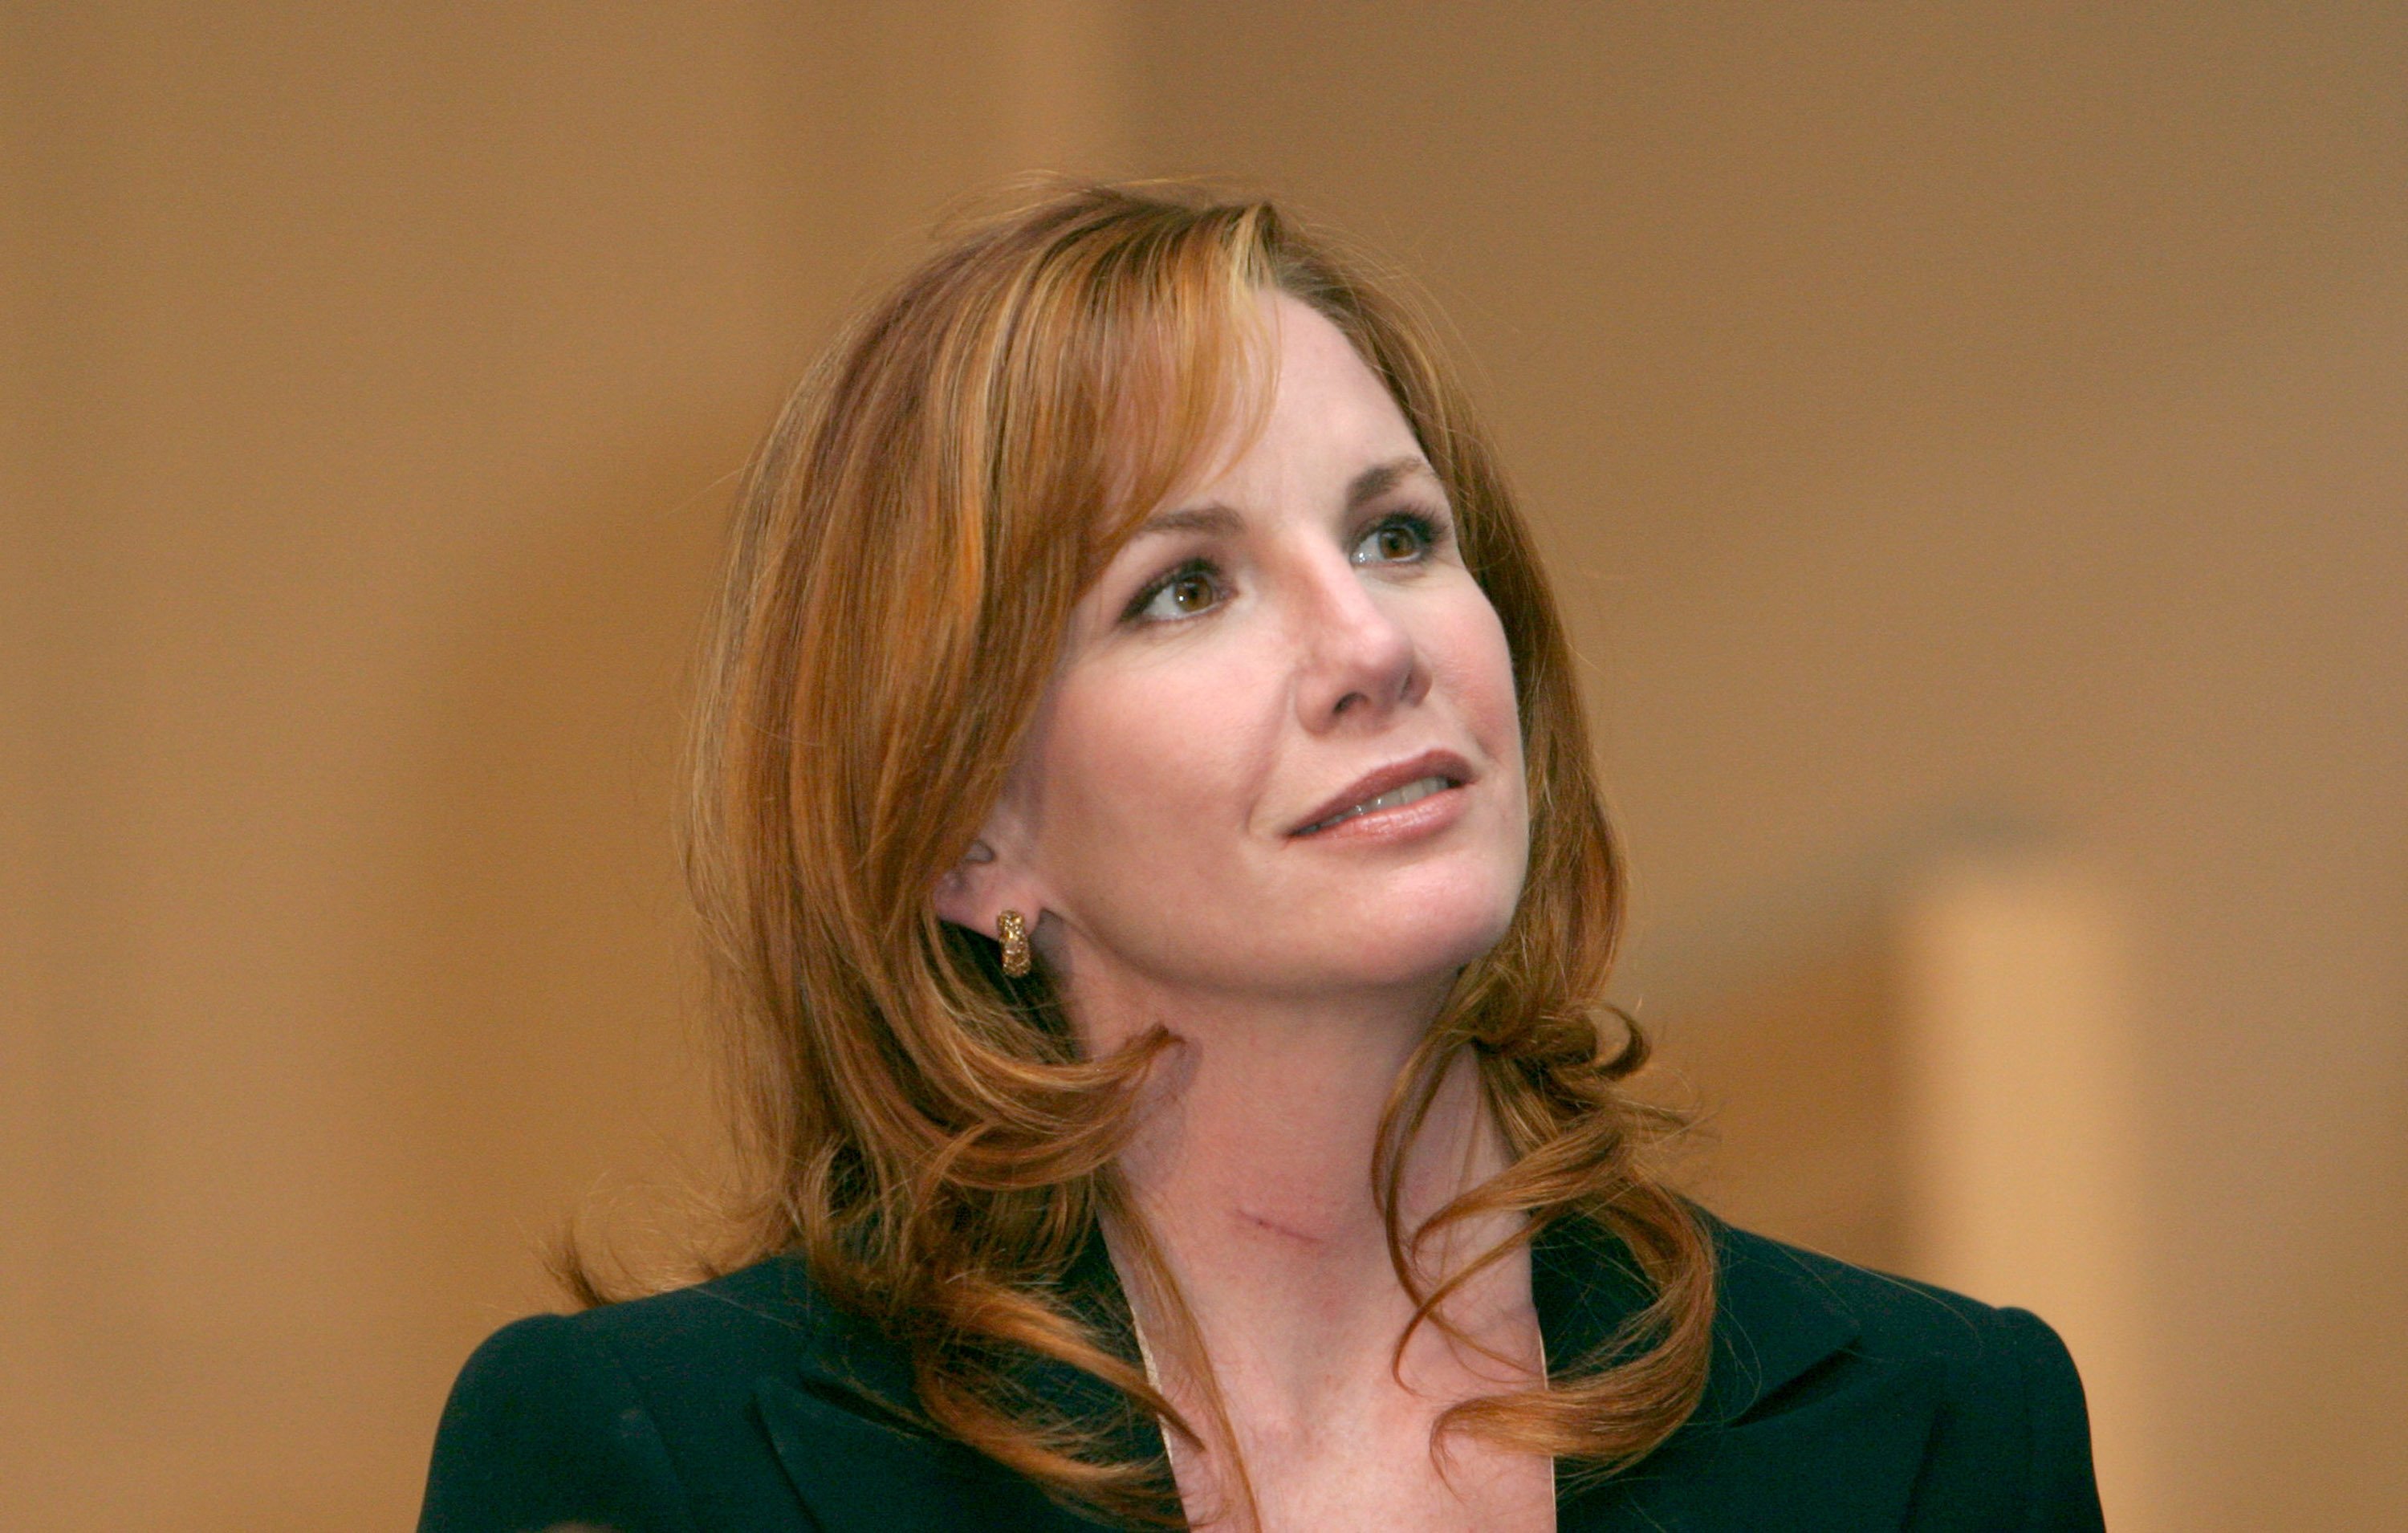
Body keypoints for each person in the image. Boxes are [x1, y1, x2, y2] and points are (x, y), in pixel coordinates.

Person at [418, 184, 2105, 1532]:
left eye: (1396, 533)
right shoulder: (658, 1464)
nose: (1373, 642)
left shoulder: (1948, 1430)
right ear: (965, 830)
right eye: (1186, 586)